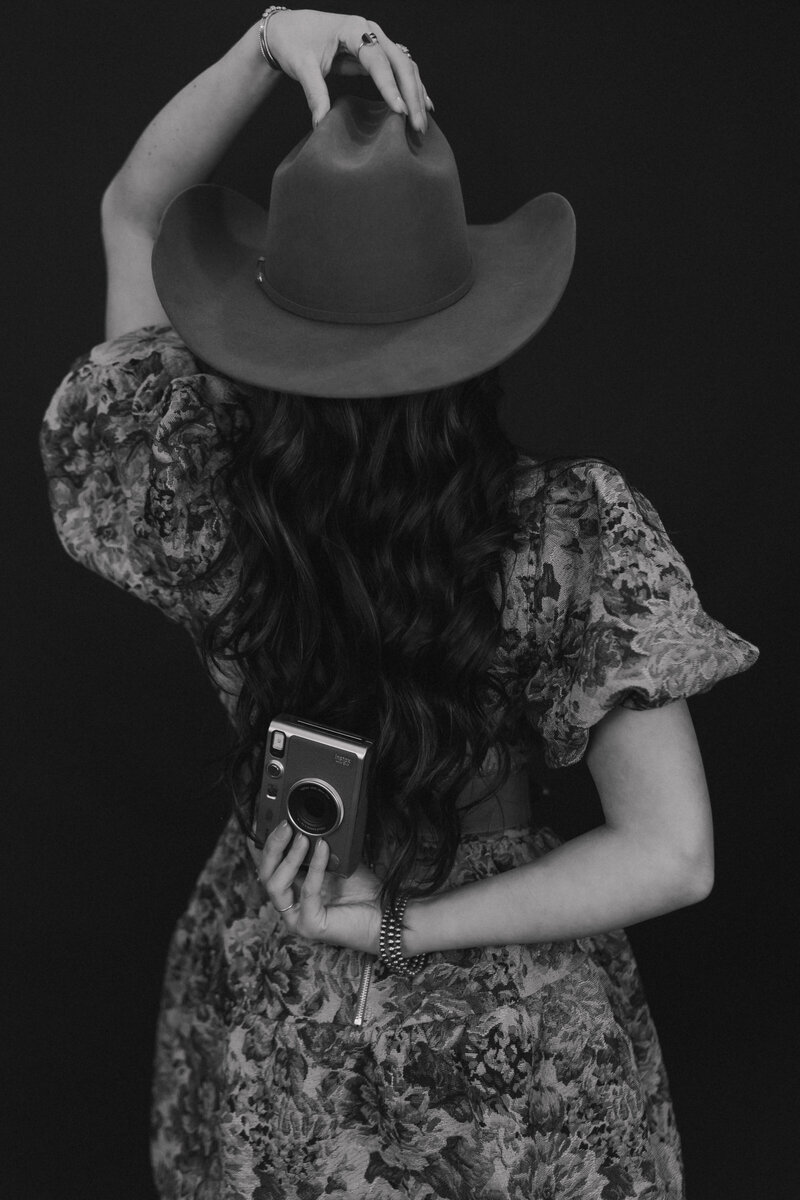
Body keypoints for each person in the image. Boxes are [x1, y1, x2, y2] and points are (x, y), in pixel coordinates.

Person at [39, 9, 759, 1199]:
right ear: (474, 329)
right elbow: (672, 855)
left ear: (264, 323)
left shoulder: (193, 478)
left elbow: (134, 210)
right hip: (508, 1043)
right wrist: (397, 932)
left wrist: (264, 42)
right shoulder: (567, 532)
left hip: (280, 948)